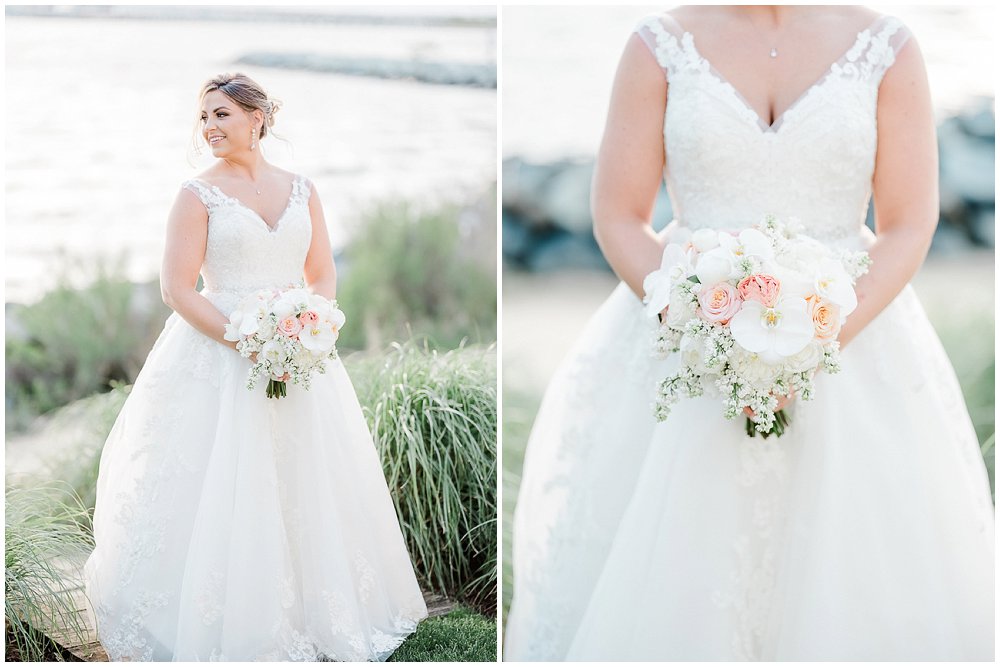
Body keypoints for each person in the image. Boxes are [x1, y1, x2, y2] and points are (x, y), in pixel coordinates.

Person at [505, 6, 993, 661]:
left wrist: (812, 339)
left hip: (855, 338)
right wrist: (703, 325)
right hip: (685, 342)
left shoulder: (889, 48)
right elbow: (618, 215)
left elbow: (909, 222)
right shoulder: (657, 47)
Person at [83, 72, 427, 661]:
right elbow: (176, 289)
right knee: (221, 480)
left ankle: (312, 607)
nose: (210, 127)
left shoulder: (303, 189)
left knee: (302, 478)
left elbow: (321, 272)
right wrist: (248, 342)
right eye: (204, 117)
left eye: (222, 115)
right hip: (218, 356)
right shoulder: (197, 195)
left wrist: (308, 325)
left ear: (257, 119)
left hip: (298, 353)